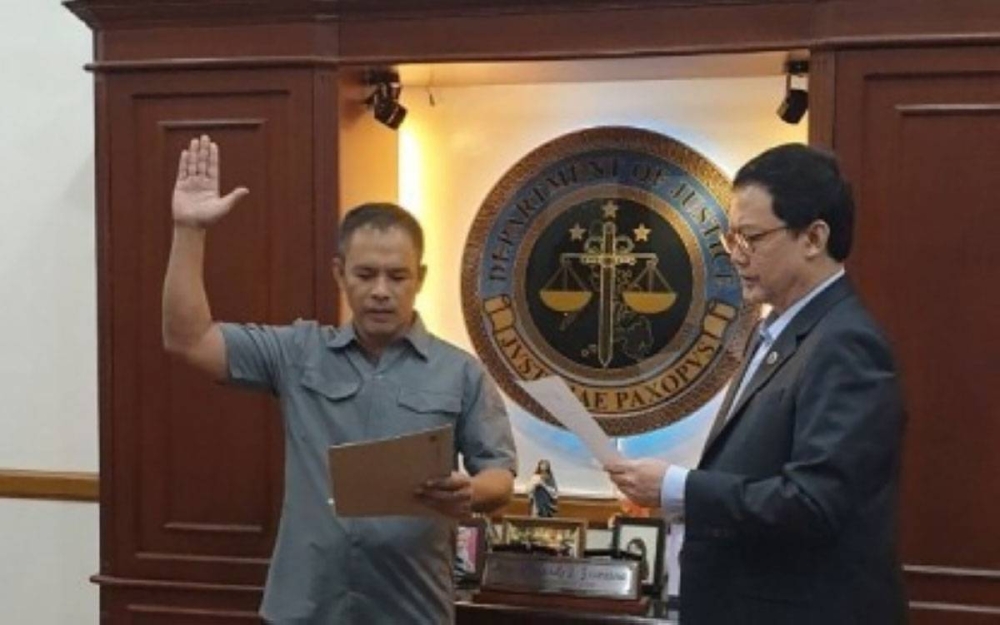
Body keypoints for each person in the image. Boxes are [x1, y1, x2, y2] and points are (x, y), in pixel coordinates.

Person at [162, 135, 517, 624]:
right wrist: (189, 230)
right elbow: (188, 338)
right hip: (307, 607)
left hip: (409, 610)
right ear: (339, 273)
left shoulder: (460, 371)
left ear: (421, 277)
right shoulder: (298, 352)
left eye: (397, 276)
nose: (380, 292)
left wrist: (469, 492)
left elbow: (500, 476)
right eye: (365, 274)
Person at [606, 144, 906, 624]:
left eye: (752, 238)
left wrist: (680, 488)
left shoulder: (846, 343)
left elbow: (815, 503)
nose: (737, 257)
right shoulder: (777, 330)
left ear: (813, 237)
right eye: (731, 240)